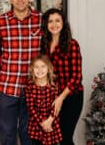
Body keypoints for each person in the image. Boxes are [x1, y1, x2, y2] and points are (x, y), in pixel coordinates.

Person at [0, 0, 42, 144]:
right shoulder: (0, 22)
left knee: (29, 134)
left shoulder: (41, 20)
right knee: (7, 134)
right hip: (7, 87)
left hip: (33, 87)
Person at [40, 8, 84, 145]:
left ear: (63, 23)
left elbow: (76, 77)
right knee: (51, 137)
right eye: (50, 21)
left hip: (71, 97)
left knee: (65, 138)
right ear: (46, 25)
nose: (54, 24)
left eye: (57, 21)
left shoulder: (72, 45)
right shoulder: (44, 45)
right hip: (51, 96)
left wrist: (61, 98)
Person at [25, 54, 62, 145]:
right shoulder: (29, 86)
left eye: (43, 66)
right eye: (36, 67)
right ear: (32, 69)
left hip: (51, 123)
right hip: (36, 125)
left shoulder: (54, 85)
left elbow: (56, 106)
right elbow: (31, 108)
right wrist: (43, 123)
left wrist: (49, 120)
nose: (40, 70)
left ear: (48, 68)